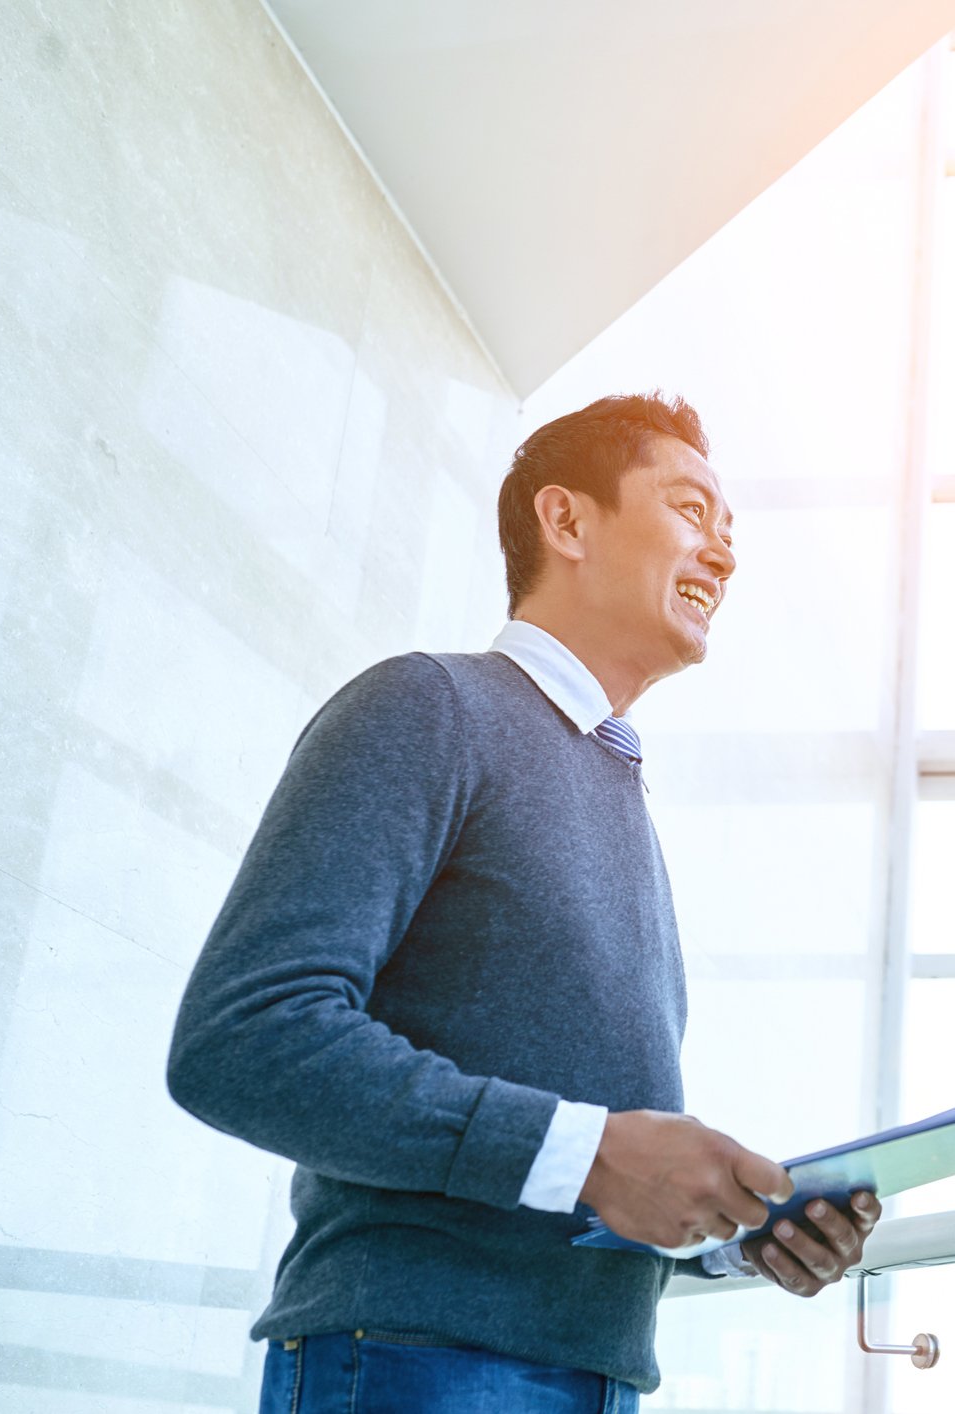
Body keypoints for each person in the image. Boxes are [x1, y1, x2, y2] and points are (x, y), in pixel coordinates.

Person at [167, 393, 879, 1412]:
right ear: (568, 520)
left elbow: (561, 1177)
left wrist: (732, 1228)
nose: (722, 554)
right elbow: (243, 1039)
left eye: (731, 532)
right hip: (418, 1362)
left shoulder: (618, 793)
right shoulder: (428, 707)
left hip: (591, 1374)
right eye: (689, 510)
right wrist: (590, 1154)